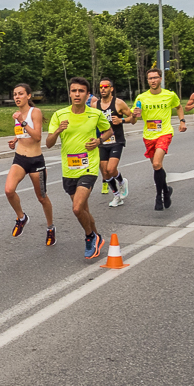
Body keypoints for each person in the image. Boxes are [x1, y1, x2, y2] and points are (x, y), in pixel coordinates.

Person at [46, 77, 112, 259]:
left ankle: (90, 237)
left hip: (88, 167)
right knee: (84, 210)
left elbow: (109, 130)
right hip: (68, 170)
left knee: (77, 209)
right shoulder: (59, 115)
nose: (77, 94)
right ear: (70, 93)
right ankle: (97, 236)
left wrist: (99, 140)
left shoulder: (95, 114)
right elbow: (49, 143)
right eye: (74, 91)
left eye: (81, 91)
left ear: (87, 94)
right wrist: (58, 130)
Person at [4, 83, 55, 245]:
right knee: (9, 190)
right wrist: (14, 140)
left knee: (42, 198)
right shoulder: (18, 114)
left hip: (35, 161)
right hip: (20, 159)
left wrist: (22, 121)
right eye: (14, 94)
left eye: (20, 94)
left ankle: (50, 228)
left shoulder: (35, 112)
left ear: (28, 96)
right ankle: (21, 217)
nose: (17, 97)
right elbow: (22, 134)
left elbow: (38, 137)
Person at [132, 68, 186, 211]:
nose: (153, 80)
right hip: (149, 136)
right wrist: (134, 114)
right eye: (150, 78)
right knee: (157, 166)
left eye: (155, 77)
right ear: (147, 80)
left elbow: (179, 107)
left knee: (156, 163)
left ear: (161, 79)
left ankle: (158, 196)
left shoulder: (169, 95)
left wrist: (182, 121)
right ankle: (166, 191)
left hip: (164, 133)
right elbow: (134, 116)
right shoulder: (141, 98)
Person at [89, 78, 137, 207]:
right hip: (102, 141)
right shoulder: (95, 105)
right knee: (105, 173)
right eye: (101, 87)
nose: (103, 89)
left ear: (111, 88)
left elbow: (133, 119)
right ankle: (116, 195)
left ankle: (121, 181)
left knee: (111, 169)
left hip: (117, 140)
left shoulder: (119, 103)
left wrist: (121, 121)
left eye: (106, 86)